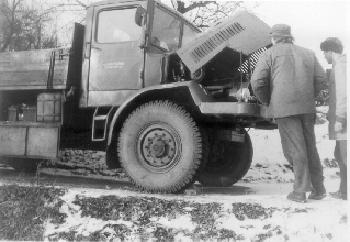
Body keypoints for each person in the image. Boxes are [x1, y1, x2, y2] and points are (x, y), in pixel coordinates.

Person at [251, 24, 327, 202]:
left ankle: (299, 192)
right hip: (307, 108)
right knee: (310, 147)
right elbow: (321, 78)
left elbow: (258, 80)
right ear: (289, 36)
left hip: (285, 109)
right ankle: (319, 188)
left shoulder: (269, 53)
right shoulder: (308, 52)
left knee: (295, 149)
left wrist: (267, 100)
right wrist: (309, 96)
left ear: (274, 37)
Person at [320, 37, 347, 200]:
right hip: (342, 119)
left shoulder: (341, 67)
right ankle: (344, 191)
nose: (324, 55)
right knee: (340, 154)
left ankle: (346, 192)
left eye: (325, 52)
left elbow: (344, 96)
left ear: (331, 51)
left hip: (344, 122)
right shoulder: (341, 65)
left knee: (344, 156)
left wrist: (340, 119)